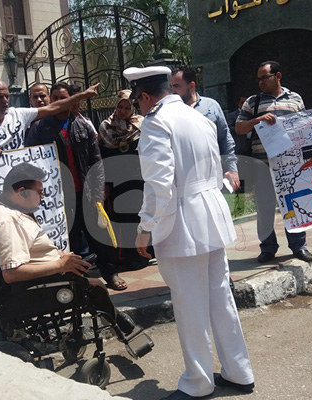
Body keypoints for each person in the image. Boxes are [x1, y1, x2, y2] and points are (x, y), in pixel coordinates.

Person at [127, 66, 255, 400]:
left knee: (189, 305)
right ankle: (238, 372)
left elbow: (160, 185)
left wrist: (145, 227)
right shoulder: (196, 116)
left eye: (137, 100)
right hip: (209, 215)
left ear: (144, 96)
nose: (138, 107)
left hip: (182, 222)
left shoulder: (156, 122)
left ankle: (198, 383)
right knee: (220, 299)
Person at [0, 163, 135, 335]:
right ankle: (119, 328)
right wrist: (60, 265)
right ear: (22, 192)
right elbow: (12, 273)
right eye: (39, 192)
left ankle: (115, 322)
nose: (42, 197)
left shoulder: (8, 209)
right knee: (97, 287)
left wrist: (60, 257)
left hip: (43, 276)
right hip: (31, 288)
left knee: (86, 272)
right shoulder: (8, 222)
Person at [235, 61, 312, 264]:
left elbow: (307, 125)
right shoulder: (253, 102)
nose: (261, 82)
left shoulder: (295, 99)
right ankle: (268, 248)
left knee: (294, 204)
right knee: (265, 209)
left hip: (291, 165)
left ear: (278, 76)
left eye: (264, 77)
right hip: (262, 166)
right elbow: (239, 128)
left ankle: (298, 246)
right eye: (258, 79)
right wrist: (258, 120)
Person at [26, 82, 126, 291]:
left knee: (98, 236)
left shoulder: (83, 125)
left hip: (86, 193)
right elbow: (31, 162)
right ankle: (78, 280)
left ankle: (110, 273)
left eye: (63, 97)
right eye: (55, 98)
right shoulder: (39, 128)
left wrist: (98, 192)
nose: (60, 101)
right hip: (58, 197)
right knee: (69, 239)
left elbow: (96, 161)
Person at [97, 89, 149, 271]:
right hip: (117, 181)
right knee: (121, 218)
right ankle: (126, 257)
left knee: (139, 217)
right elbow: (102, 157)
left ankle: (143, 255)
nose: (123, 111)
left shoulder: (142, 125)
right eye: (120, 107)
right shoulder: (106, 127)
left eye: (127, 108)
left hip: (138, 179)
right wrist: (105, 184)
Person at [170, 67, 240, 191]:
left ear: (191, 85)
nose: (172, 91)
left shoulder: (211, 106)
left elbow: (225, 140)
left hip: (213, 180)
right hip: (184, 183)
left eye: (176, 86)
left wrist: (232, 169)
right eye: (171, 87)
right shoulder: (170, 112)